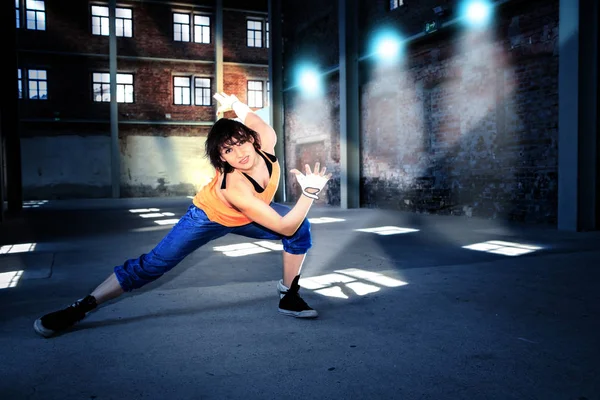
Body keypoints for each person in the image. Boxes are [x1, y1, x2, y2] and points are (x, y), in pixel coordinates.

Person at [34, 92, 331, 338]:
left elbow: (250, 117)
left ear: (252, 139)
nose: (239, 152)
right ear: (222, 159)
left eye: (240, 142)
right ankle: (81, 306)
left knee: (301, 228)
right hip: (207, 216)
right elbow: (283, 225)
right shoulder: (234, 187)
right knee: (151, 266)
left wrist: (234, 103)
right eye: (228, 151)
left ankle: (288, 295)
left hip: (245, 216)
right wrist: (309, 194)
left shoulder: (266, 138)